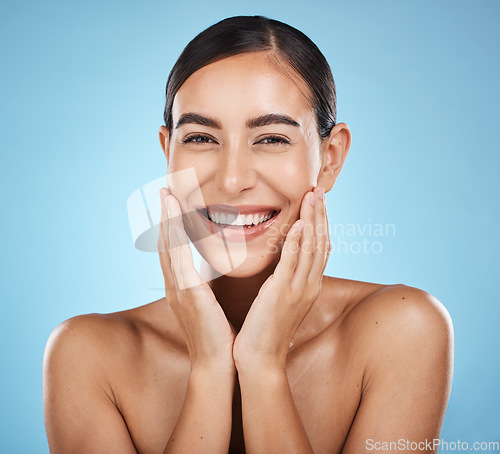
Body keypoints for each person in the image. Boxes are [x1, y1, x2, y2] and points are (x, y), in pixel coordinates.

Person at [43, 15, 453, 454]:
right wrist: (209, 367)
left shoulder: (402, 330)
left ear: (330, 158)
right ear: (168, 153)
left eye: (272, 139)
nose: (233, 179)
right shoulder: (86, 356)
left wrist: (262, 365)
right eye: (200, 138)